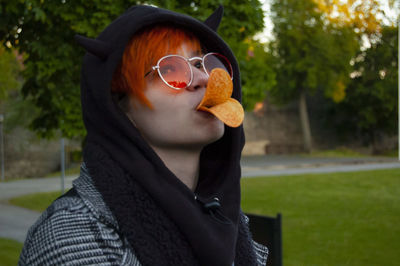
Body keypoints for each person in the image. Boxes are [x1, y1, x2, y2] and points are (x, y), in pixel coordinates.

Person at [19, 5, 268, 266]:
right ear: (119, 108)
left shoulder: (226, 222)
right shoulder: (73, 235)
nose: (204, 78)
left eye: (202, 62)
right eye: (170, 69)